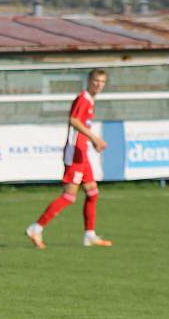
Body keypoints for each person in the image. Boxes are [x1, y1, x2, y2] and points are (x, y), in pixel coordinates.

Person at [26, 68, 112, 249]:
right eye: (96, 81)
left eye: (102, 82)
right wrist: (95, 138)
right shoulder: (83, 99)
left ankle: (90, 235)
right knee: (69, 196)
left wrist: (91, 141)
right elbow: (73, 120)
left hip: (83, 153)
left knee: (92, 193)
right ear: (89, 80)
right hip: (74, 153)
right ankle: (36, 228)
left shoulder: (90, 101)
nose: (99, 85)